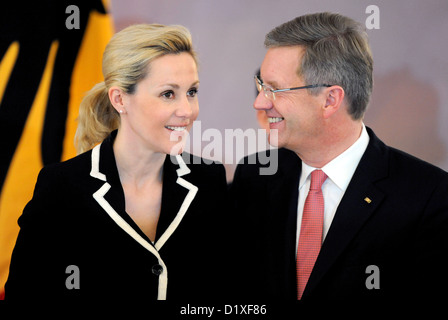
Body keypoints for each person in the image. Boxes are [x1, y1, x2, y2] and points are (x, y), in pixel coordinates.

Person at [231, 12, 448, 301]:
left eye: (275, 90)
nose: (259, 102)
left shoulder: (429, 196)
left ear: (330, 99)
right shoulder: (254, 177)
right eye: (261, 86)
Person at [6, 24, 228, 300]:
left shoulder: (209, 180)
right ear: (120, 99)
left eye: (192, 92)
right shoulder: (60, 187)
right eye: (168, 93)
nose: (187, 111)